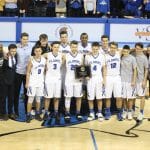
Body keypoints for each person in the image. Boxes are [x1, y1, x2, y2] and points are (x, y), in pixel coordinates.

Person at [85, 42, 106, 121]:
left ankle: (99, 113)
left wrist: (104, 79)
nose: (95, 50)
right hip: (90, 79)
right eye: (93, 49)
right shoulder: (87, 56)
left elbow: (104, 68)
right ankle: (91, 113)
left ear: (99, 49)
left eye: (96, 49)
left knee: (99, 97)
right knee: (90, 97)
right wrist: (86, 75)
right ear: (91, 48)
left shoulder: (102, 57)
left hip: (99, 78)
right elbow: (85, 67)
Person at [43, 41, 63, 124]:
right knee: (47, 97)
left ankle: (56, 112)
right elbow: (36, 57)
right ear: (51, 47)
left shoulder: (62, 55)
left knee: (56, 97)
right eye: (55, 47)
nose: (56, 48)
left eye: (58, 47)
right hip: (49, 78)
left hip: (57, 78)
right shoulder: (47, 55)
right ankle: (46, 112)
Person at [64, 40, 83, 123]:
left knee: (78, 97)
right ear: (70, 47)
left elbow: (82, 67)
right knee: (68, 96)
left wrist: (82, 76)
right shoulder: (65, 56)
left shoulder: (81, 56)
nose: (74, 48)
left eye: (75, 47)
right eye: (72, 47)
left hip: (78, 79)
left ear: (77, 47)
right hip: (68, 79)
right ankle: (67, 113)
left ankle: (78, 112)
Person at [14, 32, 33, 117]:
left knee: (27, 94)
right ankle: (15, 111)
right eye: (24, 39)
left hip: (28, 74)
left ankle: (27, 111)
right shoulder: (16, 47)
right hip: (18, 73)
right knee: (16, 93)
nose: (25, 40)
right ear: (21, 39)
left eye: (27, 39)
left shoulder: (31, 46)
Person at [25, 45, 46, 123]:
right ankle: (28, 115)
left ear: (41, 51)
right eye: (36, 51)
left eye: (39, 51)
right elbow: (27, 72)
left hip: (40, 82)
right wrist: (27, 83)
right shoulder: (31, 60)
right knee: (30, 98)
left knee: (38, 99)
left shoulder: (44, 60)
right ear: (34, 52)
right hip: (32, 82)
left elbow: (44, 70)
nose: (38, 52)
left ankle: (37, 114)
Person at [105, 42, 123, 121]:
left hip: (117, 77)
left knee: (118, 97)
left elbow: (129, 49)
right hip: (108, 77)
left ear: (116, 48)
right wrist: (104, 78)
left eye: (114, 47)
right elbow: (104, 68)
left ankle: (119, 112)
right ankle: (107, 112)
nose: (113, 49)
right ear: (109, 47)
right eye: (111, 47)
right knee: (108, 96)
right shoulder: (105, 56)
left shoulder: (119, 53)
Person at [121, 45, 137, 120]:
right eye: (124, 51)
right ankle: (125, 111)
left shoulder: (132, 58)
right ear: (123, 51)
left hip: (130, 81)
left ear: (129, 51)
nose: (125, 52)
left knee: (130, 98)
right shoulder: (121, 57)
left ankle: (130, 112)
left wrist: (133, 80)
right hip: (122, 80)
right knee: (124, 98)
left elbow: (135, 70)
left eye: (127, 51)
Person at [2, 44, 17, 120]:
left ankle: (10, 113)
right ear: (9, 50)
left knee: (11, 98)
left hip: (12, 81)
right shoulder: (4, 57)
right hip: (4, 82)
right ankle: (3, 113)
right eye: (12, 51)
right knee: (3, 98)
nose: (13, 52)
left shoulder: (16, 57)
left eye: (15, 51)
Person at [134, 42, 148, 121]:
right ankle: (131, 110)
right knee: (132, 97)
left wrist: (144, 80)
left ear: (142, 49)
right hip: (133, 80)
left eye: (139, 49)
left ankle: (141, 113)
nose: (137, 50)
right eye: (136, 48)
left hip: (141, 80)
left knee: (142, 96)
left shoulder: (144, 58)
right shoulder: (133, 55)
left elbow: (146, 70)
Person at [0, 44, 7, 120]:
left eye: (1, 47)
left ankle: (3, 113)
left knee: (3, 97)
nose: (0, 48)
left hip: (2, 79)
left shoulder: (4, 55)